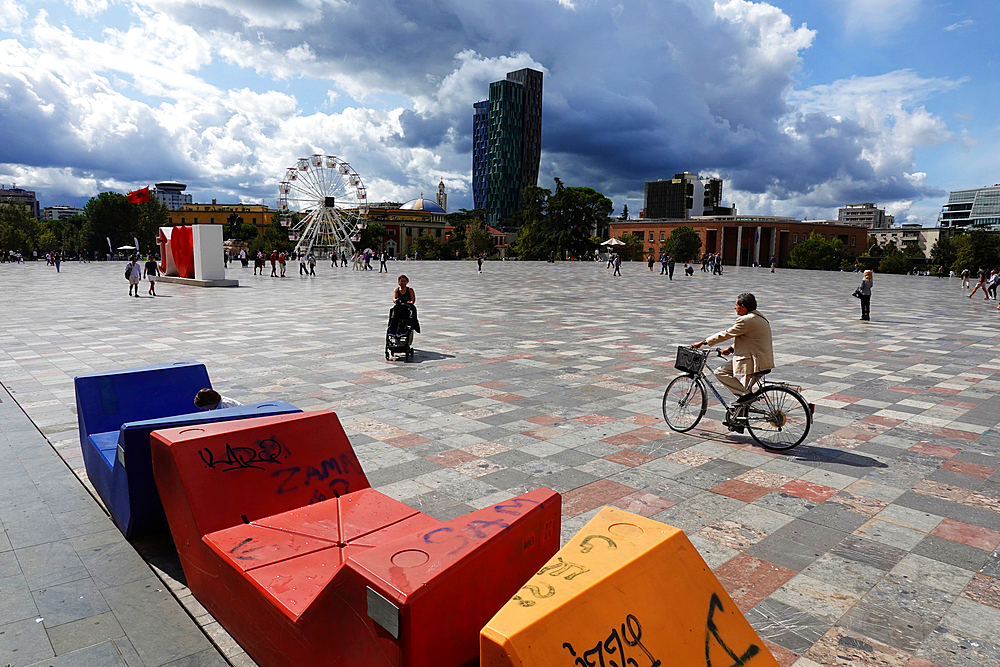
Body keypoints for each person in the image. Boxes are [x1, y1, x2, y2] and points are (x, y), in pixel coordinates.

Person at [692, 292, 773, 405]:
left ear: (743, 306)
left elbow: (726, 334)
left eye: (736, 305)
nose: (735, 307)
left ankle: (746, 398)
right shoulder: (760, 318)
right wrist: (731, 349)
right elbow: (752, 340)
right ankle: (740, 419)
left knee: (720, 372)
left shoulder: (746, 320)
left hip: (753, 362)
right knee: (743, 395)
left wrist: (703, 342)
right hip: (763, 361)